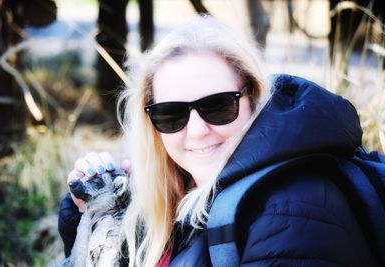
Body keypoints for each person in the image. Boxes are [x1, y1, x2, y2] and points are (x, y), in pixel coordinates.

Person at [58, 16, 378, 266]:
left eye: (218, 106)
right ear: (151, 123)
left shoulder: (291, 209)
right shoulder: (177, 197)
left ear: (253, 98)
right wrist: (96, 218)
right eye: (171, 115)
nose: (197, 130)